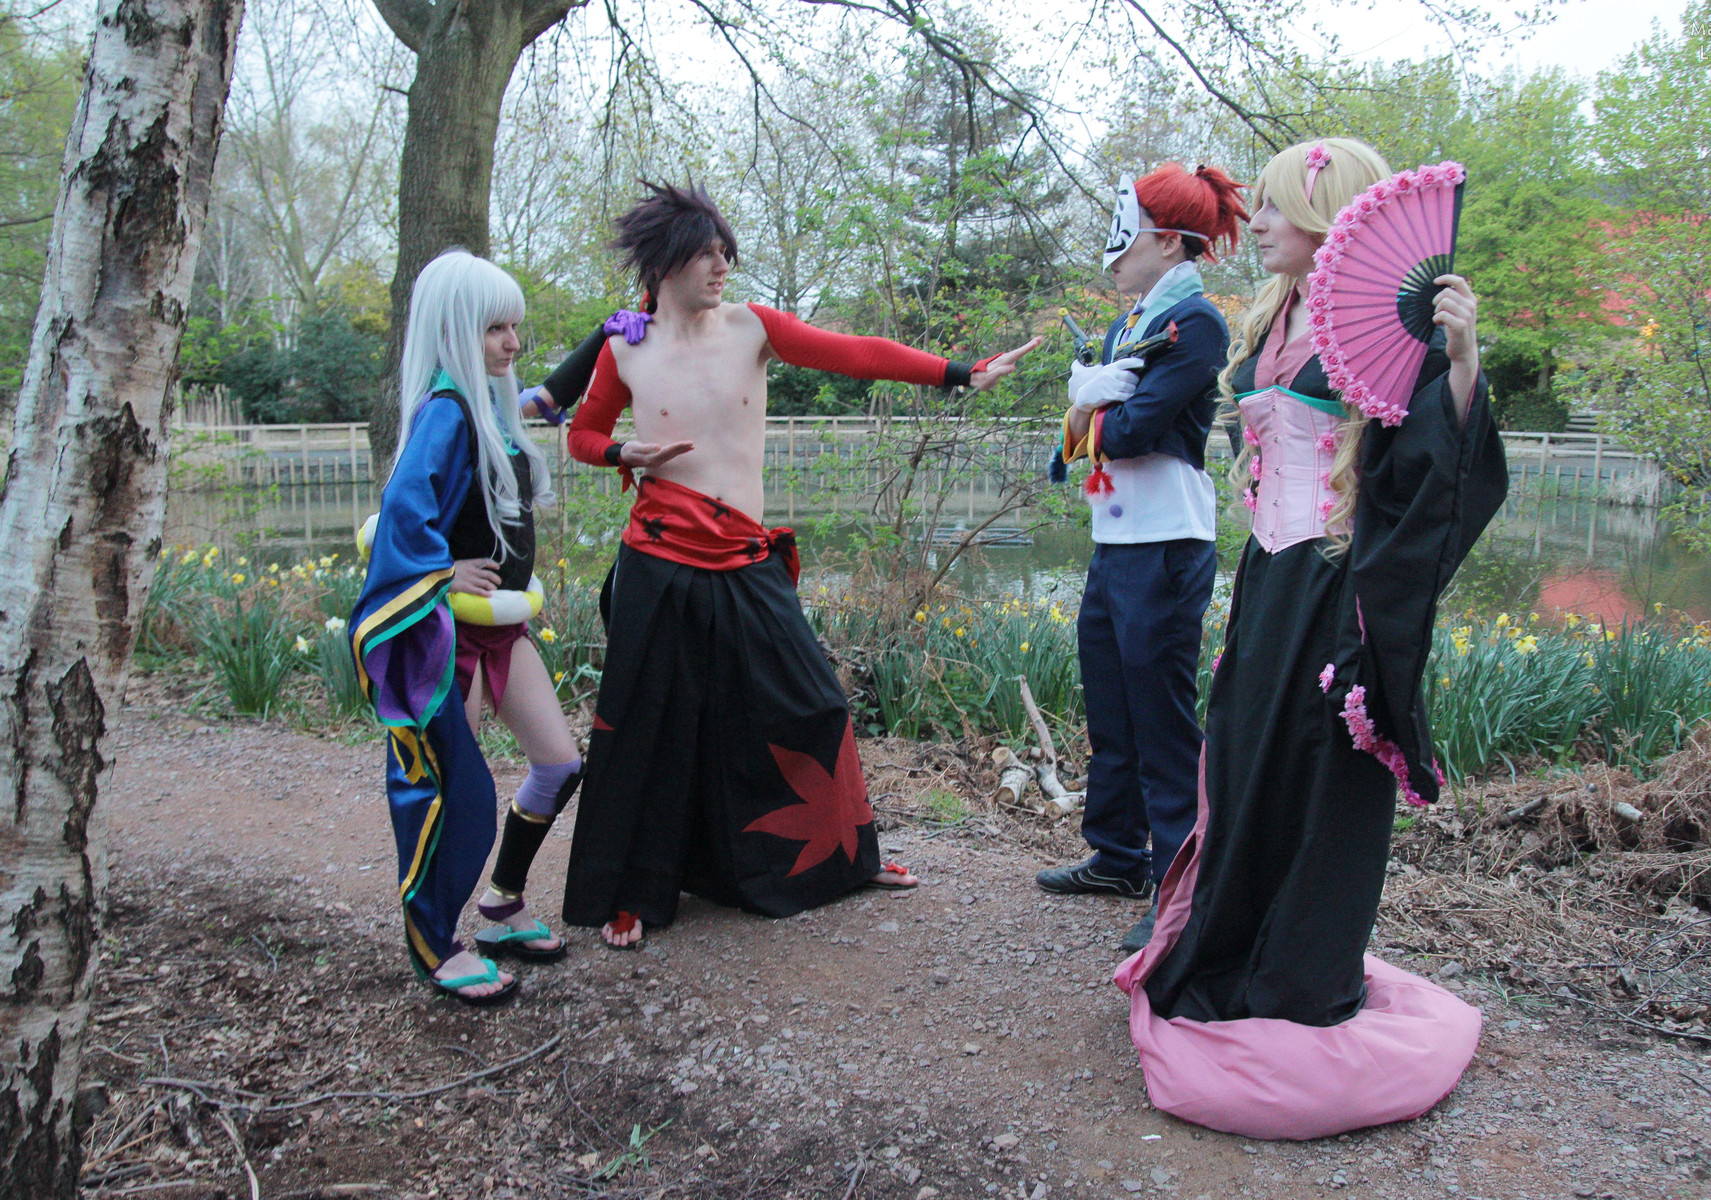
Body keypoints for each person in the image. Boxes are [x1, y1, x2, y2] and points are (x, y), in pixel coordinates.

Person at [1114, 138, 1508, 1137]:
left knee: (1317, 767)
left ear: (1330, 219)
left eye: (1279, 208)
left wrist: (1462, 362)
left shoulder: (1391, 328)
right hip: (1268, 578)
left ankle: (1299, 975)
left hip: (1337, 587)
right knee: (1246, 758)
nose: (1260, 225)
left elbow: (1433, 472)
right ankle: (1230, 944)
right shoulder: (1274, 312)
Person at [557, 182, 1040, 948]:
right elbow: (579, 436)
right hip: (657, 556)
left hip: (744, 552)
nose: (721, 265)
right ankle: (632, 894)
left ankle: (843, 858)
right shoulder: (625, 349)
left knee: (815, 702)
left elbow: (856, 354)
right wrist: (623, 452)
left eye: (724, 252)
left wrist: (959, 372)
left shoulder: (752, 327)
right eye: (706, 254)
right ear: (666, 263)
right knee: (649, 725)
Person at [350, 250, 582, 1006]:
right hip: (451, 637)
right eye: (494, 329)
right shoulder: (447, 412)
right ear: (455, 329)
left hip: (502, 631)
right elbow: (401, 511)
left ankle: (502, 906)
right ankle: (435, 943)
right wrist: (443, 574)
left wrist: (619, 332)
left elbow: (550, 397)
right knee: (454, 790)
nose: (512, 342)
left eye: (514, 327)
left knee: (558, 764)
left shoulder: (490, 405)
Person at [1036, 163, 1246, 954]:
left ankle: (1178, 886)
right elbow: (1073, 449)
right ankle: (1118, 855)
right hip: (1115, 540)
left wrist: (1091, 402)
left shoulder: (1196, 324)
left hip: (1165, 542)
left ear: (1166, 240)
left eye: (1126, 239)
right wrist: (1090, 399)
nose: (1113, 256)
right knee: (1112, 708)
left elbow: (1129, 433)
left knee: (1160, 718)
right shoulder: (1134, 325)